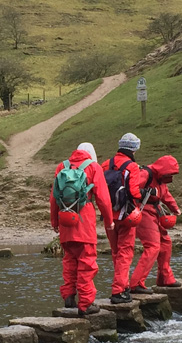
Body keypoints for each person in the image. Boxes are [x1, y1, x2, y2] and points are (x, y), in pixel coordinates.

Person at [50, 142, 114, 316]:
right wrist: (109, 221)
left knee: (69, 260)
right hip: (84, 221)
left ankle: (69, 298)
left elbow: (54, 198)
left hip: (65, 220)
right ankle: (85, 303)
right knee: (87, 263)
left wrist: (54, 221)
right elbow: (103, 199)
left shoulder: (61, 166)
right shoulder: (93, 167)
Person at [102, 133, 144, 303]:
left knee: (116, 252)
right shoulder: (132, 167)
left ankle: (123, 285)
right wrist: (146, 193)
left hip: (108, 216)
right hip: (126, 215)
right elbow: (134, 192)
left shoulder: (105, 164)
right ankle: (119, 291)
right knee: (125, 252)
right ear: (134, 149)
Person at [130, 155, 182, 294]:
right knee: (152, 246)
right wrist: (144, 192)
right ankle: (136, 283)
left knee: (166, 243)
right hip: (143, 211)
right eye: (169, 174)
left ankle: (165, 278)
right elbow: (131, 189)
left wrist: (174, 208)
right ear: (163, 170)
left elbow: (165, 194)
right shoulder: (146, 173)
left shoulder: (160, 177)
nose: (170, 177)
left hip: (155, 211)